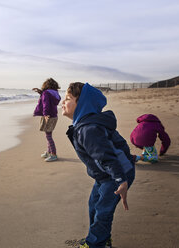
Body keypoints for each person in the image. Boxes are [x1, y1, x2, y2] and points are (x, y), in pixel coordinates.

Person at [62, 82, 135, 248]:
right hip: (105, 175)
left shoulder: (89, 129)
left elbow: (107, 157)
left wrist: (121, 181)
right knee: (94, 205)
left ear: (82, 104)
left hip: (117, 175)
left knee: (103, 210)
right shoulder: (84, 126)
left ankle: (96, 243)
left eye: (67, 99)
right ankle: (102, 239)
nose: (62, 102)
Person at [33, 78, 61, 162]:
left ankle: (53, 154)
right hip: (54, 116)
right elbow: (49, 99)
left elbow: (46, 104)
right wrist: (41, 92)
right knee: (49, 135)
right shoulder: (55, 93)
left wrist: (45, 114)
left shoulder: (46, 93)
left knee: (48, 136)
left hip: (48, 116)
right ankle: (49, 152)